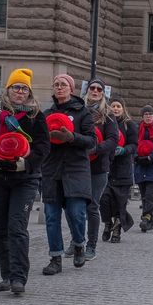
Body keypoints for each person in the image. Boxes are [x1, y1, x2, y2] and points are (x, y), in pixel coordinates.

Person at [0, 68, 50, 295]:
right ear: (8, 90)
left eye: (24, 88)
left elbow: (43, 148)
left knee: (16, 228)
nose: (20, 92)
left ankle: (19, 277)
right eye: (16, 87)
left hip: (24, 179)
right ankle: (6, 274)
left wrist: (25, 164)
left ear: (29, 92)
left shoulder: (36, 116)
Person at [40, 73, 95, 274]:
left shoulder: (83, 113)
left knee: (76, 213)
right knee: (52, 216)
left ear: (71, 89)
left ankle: (79, 243)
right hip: (52, 170)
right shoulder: (45, 114)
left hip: (76, 169)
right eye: (56, 84)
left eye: (63, 84)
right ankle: (55, 258)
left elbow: (91, 141)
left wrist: (72, 137)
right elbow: (38, 142)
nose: (60, 88)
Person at [84, 79, 118, 259]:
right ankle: (77, 244)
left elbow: (113, 140)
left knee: (92, 206)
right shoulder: (79, 109)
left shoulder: (108, 114)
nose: (95, 91)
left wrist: (96, 149)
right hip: (79, 166)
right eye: (92, 88)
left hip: (98, 167)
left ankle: (91, 245)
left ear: (103, 93)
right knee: (76, 207)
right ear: (87, 90)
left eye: (99, 89)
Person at [100, 97, 138, 243]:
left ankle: (116, 230)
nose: (115, 109)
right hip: (107, 169)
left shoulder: (129, 125)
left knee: (120, 203)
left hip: (123, 171)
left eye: (118, 106)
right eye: (113, 106)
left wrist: (124, 150)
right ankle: (107, 223)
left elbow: (134, 146)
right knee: (104, 200)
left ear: (123, 109)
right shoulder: (105, 123)